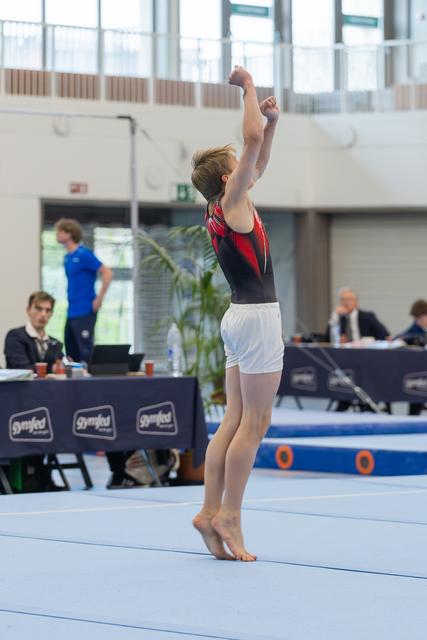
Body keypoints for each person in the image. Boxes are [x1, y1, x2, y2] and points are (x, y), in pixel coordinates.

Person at [190, 66, 284, 561]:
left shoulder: (218, 206)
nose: (248, 161)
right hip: (259, 318)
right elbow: (249, 140)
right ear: (230, 177)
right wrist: (248, 89)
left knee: (233, 417)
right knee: (257, 422)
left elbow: (258, 153)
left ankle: (208, 510)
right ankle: (231, 514)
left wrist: (271, 125)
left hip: (236, 317)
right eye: (240, 163)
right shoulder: (233, 202)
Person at [4, 291, 64, 492]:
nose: (43, 314)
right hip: (19, 404)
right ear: (28, 310)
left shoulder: (55, 343)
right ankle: (28, 477)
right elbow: (19, 365)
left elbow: (61, 367)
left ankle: (42, 476)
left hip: (49, 404)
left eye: (48, 310)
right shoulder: (15, 336)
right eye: (39, 309)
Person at [55, 218, 113, 363]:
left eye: (60, 231)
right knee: (70, 351)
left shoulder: (83, 254)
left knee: (85, 352)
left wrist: (99, 298)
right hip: (72, 311)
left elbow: (107, 272)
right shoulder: (68, 257)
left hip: (85, 310)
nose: (57, 234)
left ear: (69, 234)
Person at [397, 299, 427, 416]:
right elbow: (404, 335)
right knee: (416, 385)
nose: (418, 322)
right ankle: (412, 415)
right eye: (416, 319)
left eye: (421, 319)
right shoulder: (417, 327)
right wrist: (398, 339)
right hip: (422, 369)